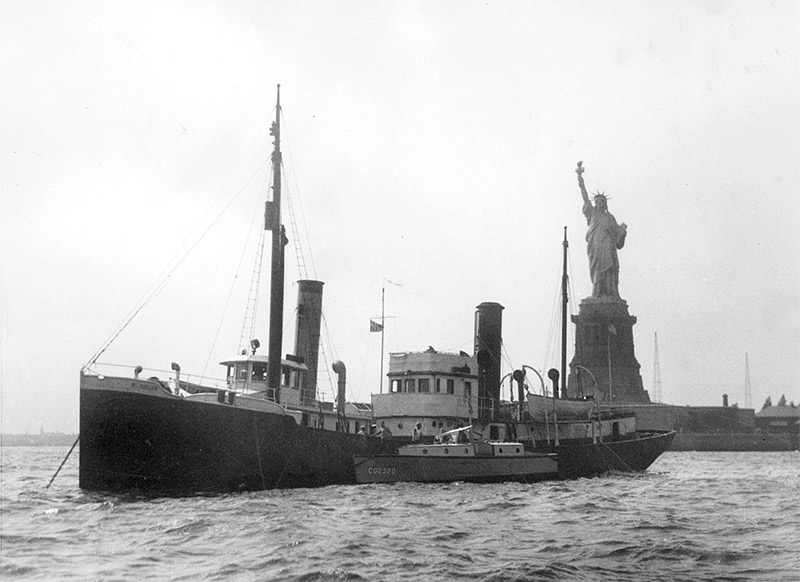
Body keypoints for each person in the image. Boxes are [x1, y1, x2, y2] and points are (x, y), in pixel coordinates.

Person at [575, 161, 627, 299]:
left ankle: (611, 293)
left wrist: (622, 232)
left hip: (608, 246)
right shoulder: (592, 213)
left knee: (609, 268)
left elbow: (618, 242)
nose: (599, 203)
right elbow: (585, 196)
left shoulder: (610, 218)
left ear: (605, 203)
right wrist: (580, 177)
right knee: (597, 268)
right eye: (597, 201)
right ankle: (597, 293)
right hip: (595, 246)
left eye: (602, 201)